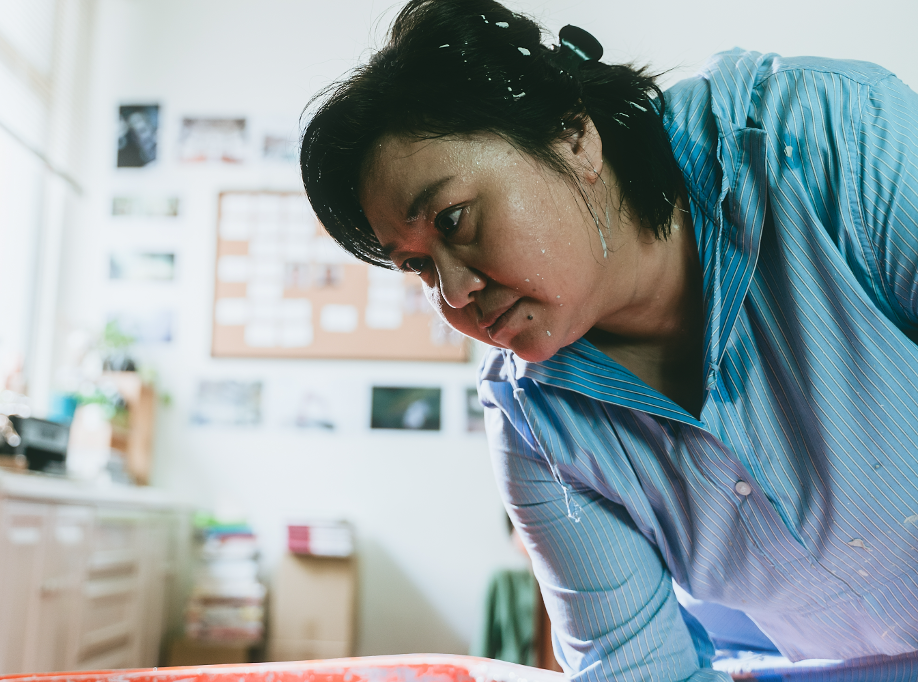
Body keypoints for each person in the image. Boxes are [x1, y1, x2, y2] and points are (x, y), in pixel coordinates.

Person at [299, 0, 918, 679]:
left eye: (452, 220)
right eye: (418, 266)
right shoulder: (537, 419)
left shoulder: (833, 140)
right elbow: (636, 667)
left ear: (574, 138)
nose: (453, 293)